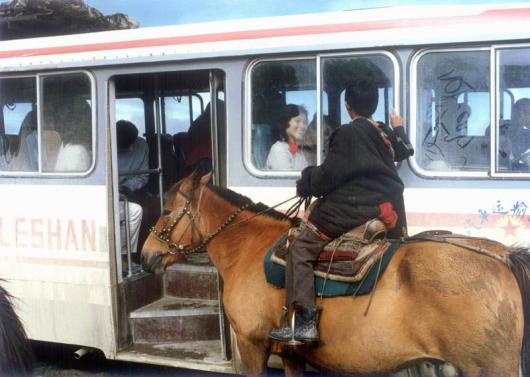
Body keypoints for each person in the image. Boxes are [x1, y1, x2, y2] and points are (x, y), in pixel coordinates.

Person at [268, 79, 414, 345]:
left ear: (347, 107)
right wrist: (398, 126)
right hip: (386, 203)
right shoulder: (382, 131)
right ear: (375, 105)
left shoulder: (346, 134)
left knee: (300, 249)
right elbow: (406, 150)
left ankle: (305, 323)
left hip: (355, 207)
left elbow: (327, 178)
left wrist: (305, 181)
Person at [116, 120, 149, 260]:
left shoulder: (141, 145)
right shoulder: (101, 147)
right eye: (125, 146)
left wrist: (127, 187)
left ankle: (126, 255)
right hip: (106, 194)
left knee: (139, 210)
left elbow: (143, 176)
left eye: (132, 144)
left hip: (131, 191)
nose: (130, 149)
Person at [266, 104, 316, 171]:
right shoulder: (279, 149)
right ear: (286, 122)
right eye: (297, 121)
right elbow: (287, 180)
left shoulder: (300, 149)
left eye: (305, 122)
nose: (302, 126)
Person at [502, 98, 530, 171]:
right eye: (529, 113)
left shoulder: (526, 134)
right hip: (503, 172)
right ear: (520, 113)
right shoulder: (500, 129)